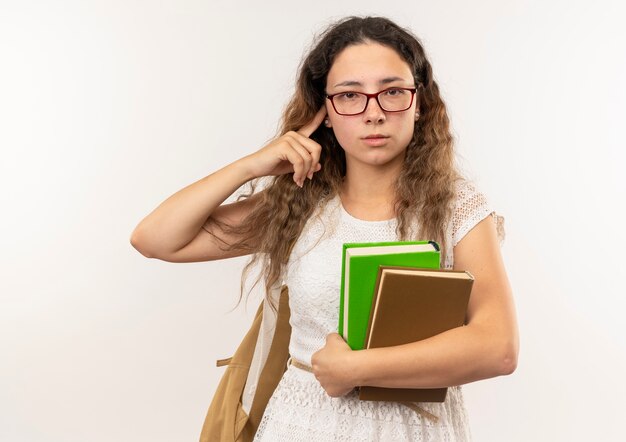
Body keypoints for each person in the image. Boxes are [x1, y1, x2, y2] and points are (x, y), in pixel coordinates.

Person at [130, 15, 519, 441]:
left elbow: (498, 347)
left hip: (415, 429)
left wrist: (358, 368)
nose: (373, 113)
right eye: (350, 95)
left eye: (392, 92)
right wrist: (252, 165)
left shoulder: (455, 208)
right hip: (302, 424)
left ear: (419, 101)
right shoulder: (301, 203)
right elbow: (154, 239)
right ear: (326, 113)